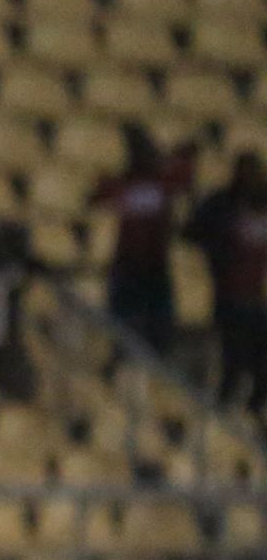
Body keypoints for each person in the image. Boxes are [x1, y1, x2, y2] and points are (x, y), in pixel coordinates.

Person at [92, 127, 195, 357]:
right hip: (128, 263)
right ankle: (120, 354)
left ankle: (159, 352)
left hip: (154, 263)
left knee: (159, 320)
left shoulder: (161, 183)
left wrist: (184, 155)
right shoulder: (126, 185)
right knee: (124, 319)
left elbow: (184, 178)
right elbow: (95, 198)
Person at [184, 150, 267, 419]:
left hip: (256, 298)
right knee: (233, 355)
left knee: (259, 358)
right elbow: (192, 232)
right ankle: (227, 404)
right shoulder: (221, 206)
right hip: (229, 296)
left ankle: (256, 404)